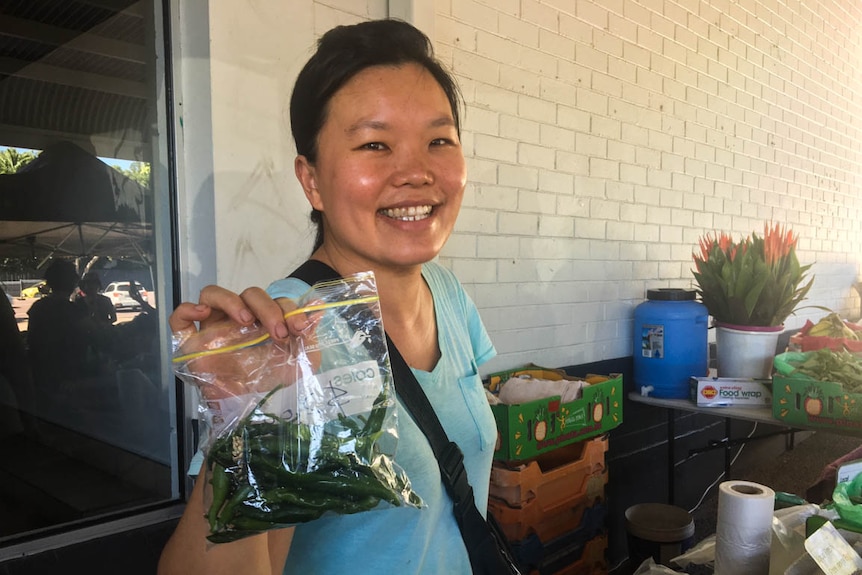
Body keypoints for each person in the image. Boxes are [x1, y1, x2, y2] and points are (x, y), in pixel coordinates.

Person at [159, 18, 498, 575]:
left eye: (439, 140)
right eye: (374, 144)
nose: (415, 172)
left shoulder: (449, 294)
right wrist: (250, 416)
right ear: (311, 180)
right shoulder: (284, 337)